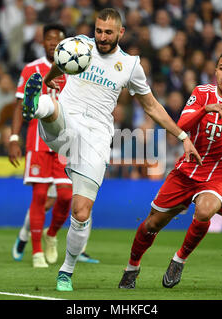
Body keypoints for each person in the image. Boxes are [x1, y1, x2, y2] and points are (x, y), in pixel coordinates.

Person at [21, 8, 201, 291]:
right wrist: (47, 80)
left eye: (108, 32)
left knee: (81, 212)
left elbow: (151, 105)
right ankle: (36, 105)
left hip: (95, 137)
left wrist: (181, 135)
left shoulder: (130, 66)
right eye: (99, 31)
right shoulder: (79, 45)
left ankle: (66, 271)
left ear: (121, 33)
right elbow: (61, 61)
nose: (102, 38)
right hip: (67, 121)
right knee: (52, 107)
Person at [118, 50, 222, 289]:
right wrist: (204, 110)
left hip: (220, 177)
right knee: (152, 224)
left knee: (205, 211)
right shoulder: (201, 93)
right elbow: (181, 126)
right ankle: (132, 267)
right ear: (215, 70)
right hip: (187, 170)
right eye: (221, 68)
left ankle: (179, 259)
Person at [8, 24, 98, 268]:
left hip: (67, 143)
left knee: (66, 197)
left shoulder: (77, 70)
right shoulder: (31, 69)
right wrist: (14, 138)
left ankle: (50, 235)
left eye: (57, 40)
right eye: (48, 39)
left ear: (64, 45)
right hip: (37, 142)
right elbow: (19, 106)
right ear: (42, 42)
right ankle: (36, 251)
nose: (51, 43)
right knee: (38, 196)